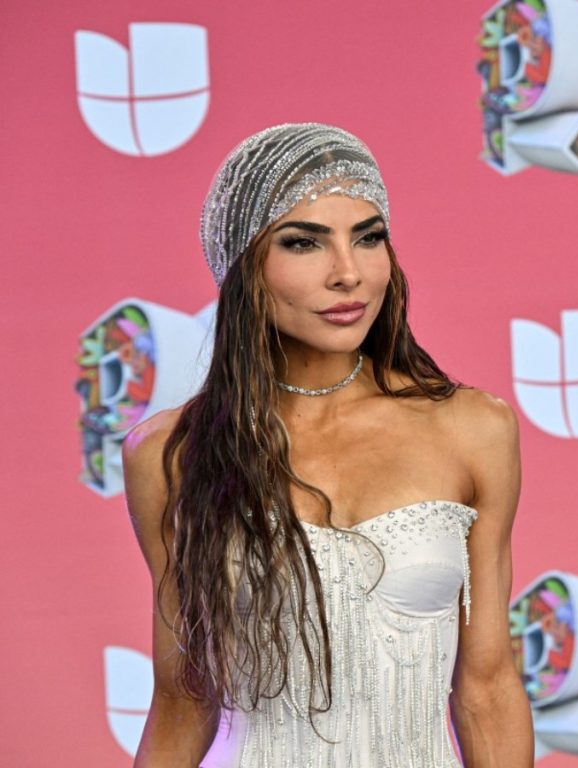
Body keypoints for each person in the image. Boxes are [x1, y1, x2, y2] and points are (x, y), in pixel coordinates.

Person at [122, 123, 534, 767]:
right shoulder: (168, 454)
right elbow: (183, 698)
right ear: (242, 266)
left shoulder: (474, 428)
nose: (349, 273)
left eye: (368, 237)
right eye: (304, 242)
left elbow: (487, 687)